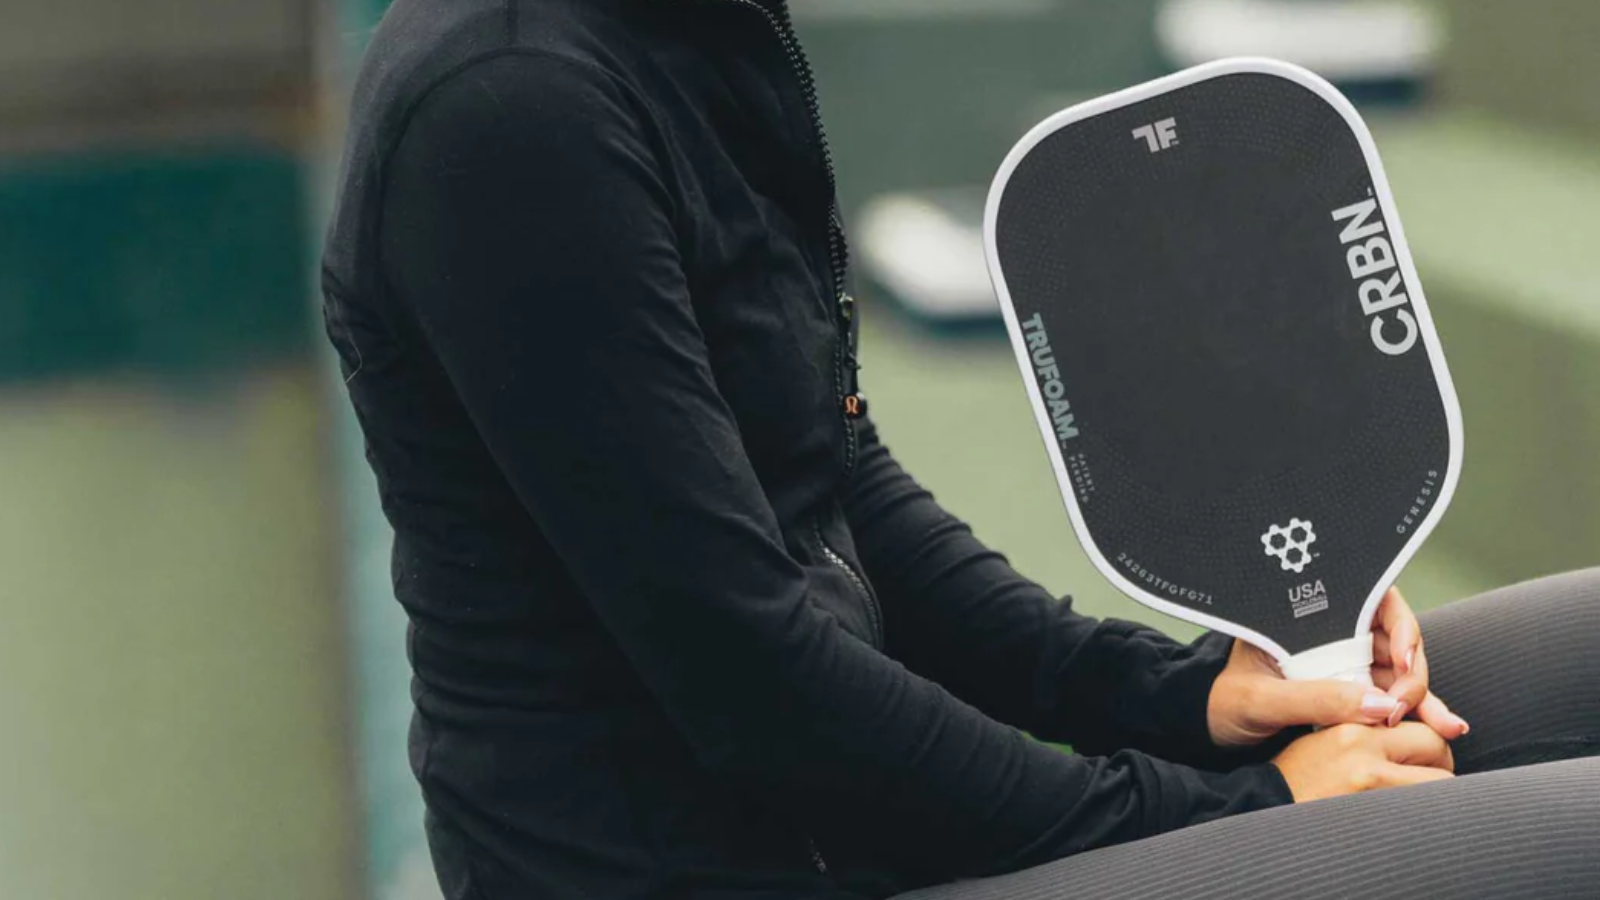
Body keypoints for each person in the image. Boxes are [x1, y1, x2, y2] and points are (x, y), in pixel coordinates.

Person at [320, 0, 1600, 897]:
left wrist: (1180, 698)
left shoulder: (695, 29)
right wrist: (1246, 809)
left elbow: (834, 484)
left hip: (849, 824)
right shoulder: (509, 107)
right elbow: (750, 681)